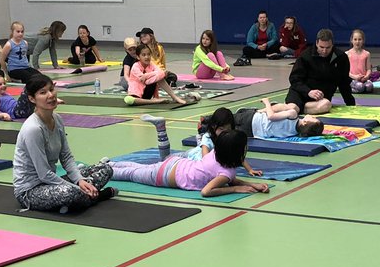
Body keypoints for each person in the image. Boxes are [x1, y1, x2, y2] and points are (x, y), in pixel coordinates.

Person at [12, 74, 115, 213]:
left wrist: (80, 180)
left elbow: (66, 156)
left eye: (51, 89)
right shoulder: (33, 129)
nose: (50, 95)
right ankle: (97, 196)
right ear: (32, 99)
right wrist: (77, 188)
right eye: (43, 93)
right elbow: (43, 174)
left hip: (52, 183)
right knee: (71, 193)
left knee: (105, 169)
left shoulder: (58, 119)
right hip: (31, 191)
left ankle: (79, 200)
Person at [109, 119, 268, 199]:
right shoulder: (225, 172)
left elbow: (231, 179)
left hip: (175, 164)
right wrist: (234, 189)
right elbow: (206, 191)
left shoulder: (217, 155)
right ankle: (106, 170)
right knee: (131, 174)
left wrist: (253, 185)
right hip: (165, 175)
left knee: (138, 168)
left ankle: (110, 164)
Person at [286, 29, 356, 114]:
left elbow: (344, 82)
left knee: (326, 105)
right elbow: (294, 79)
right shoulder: (305, 56)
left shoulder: (341, 57)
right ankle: (271, 108)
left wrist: (351, 104)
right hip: (300, 92)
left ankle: (298, 108)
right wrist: (308, 91)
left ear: (332, 44)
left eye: (328, 47)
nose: (324, 51)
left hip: (320, 99)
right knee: (293, 108)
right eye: (321, 47)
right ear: (316, 43)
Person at [125, 43, 191, 107]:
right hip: (136, 94)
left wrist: (146, 75)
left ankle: (174, 97)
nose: (147, 57)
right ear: (138, 57)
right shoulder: (135, 66)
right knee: (128, 100)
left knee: (160, 77)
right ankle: (155, 101)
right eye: (144, 55)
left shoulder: (151, 64)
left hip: (147, 92)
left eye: (148, 54)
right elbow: (145, 81)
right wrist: (154, 76)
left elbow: (161, 72)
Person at [233, 98, 324, 141]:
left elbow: (271, 117)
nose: (313, 116)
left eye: (313, 118)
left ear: (305, 123)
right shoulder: (293, 133)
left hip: (252, 119)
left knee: (227, 119)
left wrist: (267, 102)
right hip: (253, 133)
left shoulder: (293, 114)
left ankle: (252, 110)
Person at [347, 29, 377, 93]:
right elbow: (345, 71)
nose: (357, 42)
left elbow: (368, 69)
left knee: (369, 87)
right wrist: (354, 76)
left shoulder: (366, 54)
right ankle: (348, 88)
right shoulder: (347, 54)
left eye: (359, 39)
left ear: (363, 41)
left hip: (363, 79)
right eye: (355, 39)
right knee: (360, 87)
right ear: (351, 40)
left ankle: (361, 87)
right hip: (353, 79)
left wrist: (366, 76)